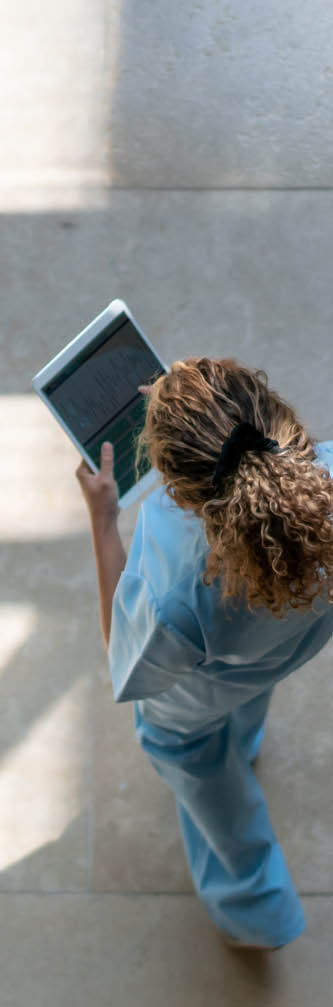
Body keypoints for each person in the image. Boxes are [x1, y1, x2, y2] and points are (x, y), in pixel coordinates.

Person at [108, 356, 333, 951]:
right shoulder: (324, 487)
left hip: (197, 699)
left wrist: (103, 522)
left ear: (179, 493)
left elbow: (126, 661)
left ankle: (259, 912)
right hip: (285, 649)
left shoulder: (175, 591)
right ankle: (248, 745)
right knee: (251, 691)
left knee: (199, 767)